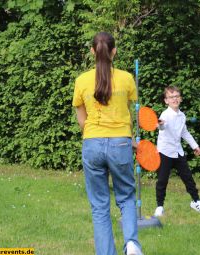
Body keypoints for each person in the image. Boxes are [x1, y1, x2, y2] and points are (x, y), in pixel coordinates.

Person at [72, 32, 143, 255]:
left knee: (100, 205)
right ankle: (131, 244)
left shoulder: (81, 80)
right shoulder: (126, 78)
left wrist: (95, 136)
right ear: (114, 51)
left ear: (92, 51)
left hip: (92, 143)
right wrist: (127, 138)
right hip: (121, 143)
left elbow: (82, 119)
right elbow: (128, 113)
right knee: (126, 196)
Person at [154, 86, 200, 217]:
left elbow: (184, 132)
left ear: (181, 99)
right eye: (171, 97)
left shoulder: (182, 115)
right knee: (162, 180)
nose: (175, 99)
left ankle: (196, 202)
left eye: (177, 96)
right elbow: (163, 126)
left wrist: (195, 146)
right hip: (164, 152)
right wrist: (160, 124)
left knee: (188, 178)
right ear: (166, 100)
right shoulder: (165, 115)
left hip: (178, 152)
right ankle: (160, 207)